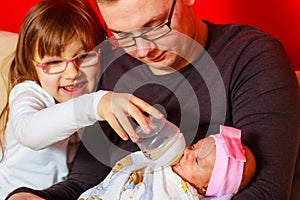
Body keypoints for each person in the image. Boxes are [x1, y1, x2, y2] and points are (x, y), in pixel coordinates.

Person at [7, 0, 300, 199]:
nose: (143, 50)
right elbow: (83, 184)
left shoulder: (250, 58)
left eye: (155, 25)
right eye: (122, 34)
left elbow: (266, 192)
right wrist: (32, 196)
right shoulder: (111, 64)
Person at [0, 0, 163, 199]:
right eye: (54, 62)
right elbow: (29, 134)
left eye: (84, 57)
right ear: (32, 64)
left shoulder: (99, 86)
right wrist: (95, 105)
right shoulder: (29, 93)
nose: (72, 73)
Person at [78, 125, 256, 200]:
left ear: (205, 187)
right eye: (193, 146)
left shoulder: (178, 193)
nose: (186, 152)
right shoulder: (169, 166)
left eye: (196, 160)